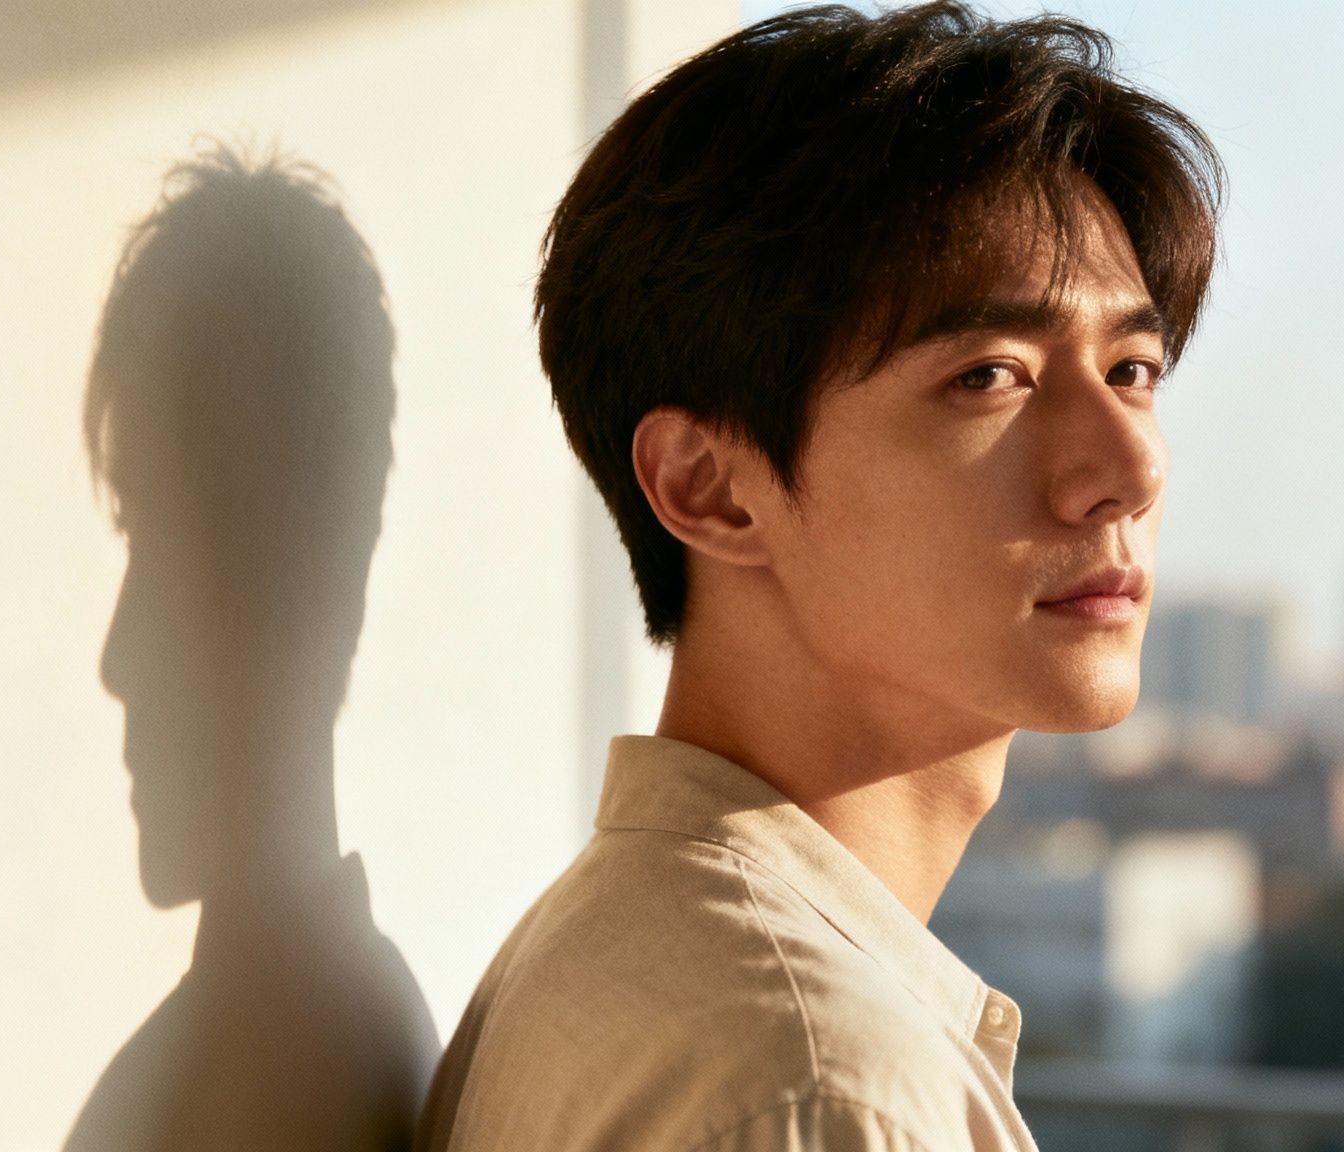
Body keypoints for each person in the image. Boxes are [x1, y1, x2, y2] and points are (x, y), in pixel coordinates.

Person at [420, 3, 1222, 1149]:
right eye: (989, 377)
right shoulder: (821, 1086)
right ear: (710, 487)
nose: (1128, 467)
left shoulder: (637, 945)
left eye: (1130, 367)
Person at [69, 145, 438, 1151]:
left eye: (166, 550)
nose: (114, 657)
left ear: (308, 585)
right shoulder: (289, 1030)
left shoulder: (292, 1061)